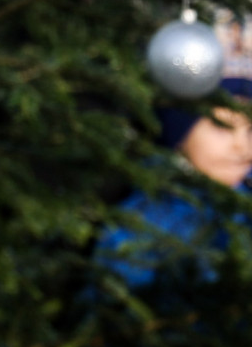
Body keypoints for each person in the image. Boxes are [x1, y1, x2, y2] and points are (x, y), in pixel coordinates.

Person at [96, 77, 252, 289]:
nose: (242, 147)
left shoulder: (244, 204)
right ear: (180, 137)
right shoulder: (147, 218)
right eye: (222, 127)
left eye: (250, 131)